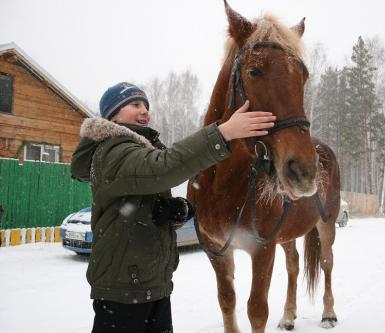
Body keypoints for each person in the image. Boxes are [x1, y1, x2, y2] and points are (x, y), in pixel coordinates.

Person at [71, 82, 275, 333]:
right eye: (135, 104)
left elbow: (144, 195)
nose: (145, 110)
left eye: (146, 105)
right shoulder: (113, 150)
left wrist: (172, 211)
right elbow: (164, 168)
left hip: (150, 281)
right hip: (123, 289)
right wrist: (223, 134)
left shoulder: (137, 149)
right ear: (113, 115)